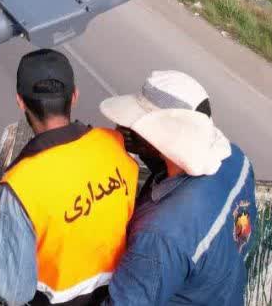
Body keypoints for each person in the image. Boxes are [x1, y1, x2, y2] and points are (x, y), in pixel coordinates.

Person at [0, 49, 139, 306]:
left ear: (20, 101)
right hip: (119, 292)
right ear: (74, 96)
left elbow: (13, 291)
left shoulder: (21, 185)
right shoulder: (113, 145)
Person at [100, 71, 256, 306]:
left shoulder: (161, 235)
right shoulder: (237, 160)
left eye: (139, 130)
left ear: (164, 139)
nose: (128, 132)